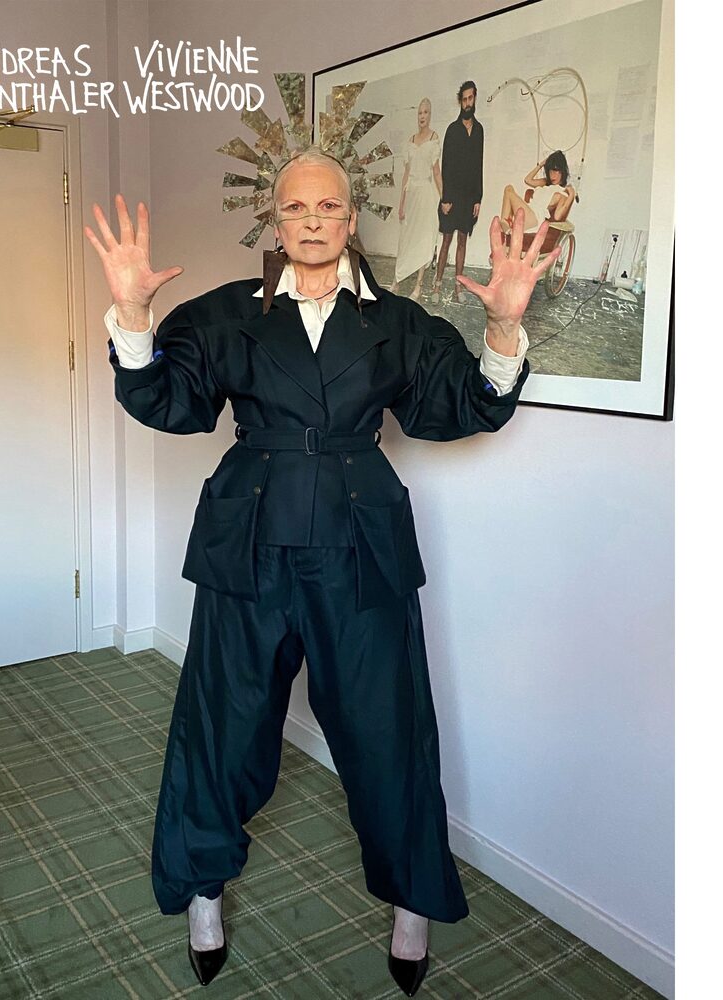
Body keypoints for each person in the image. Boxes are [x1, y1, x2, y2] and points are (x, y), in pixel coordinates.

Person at [85, 147, 561, 996]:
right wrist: (130, 313)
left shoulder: (398, 321)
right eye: (296, 208)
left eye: (328, 207)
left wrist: (502, 328)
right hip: (247, 538)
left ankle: (411, 900)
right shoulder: (227, 313)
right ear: (275, 220)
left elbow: (467, 406)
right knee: (224, 720)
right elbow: (166, 401)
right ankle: (202, 887)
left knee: (387, 726)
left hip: (362, 542)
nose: (312, 222)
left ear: (350, 217)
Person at [432, 80, 484, 305]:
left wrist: (478, 198)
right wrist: (445, 198)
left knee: (463, 241)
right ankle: (437, 284)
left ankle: (458, 287)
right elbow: (446, 166)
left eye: (470, 98)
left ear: (475, 98)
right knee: (446, 241)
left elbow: (479, 165)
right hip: (451, 198)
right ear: (460, 102)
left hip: (469, 197)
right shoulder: (452, 130)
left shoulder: (479, 130)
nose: (467, 103)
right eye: (464, 99)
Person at [389, 98, 442, 301]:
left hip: (426, 195)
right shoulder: (410, 141)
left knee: (423, 239)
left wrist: (444, 198)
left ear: (430, 115)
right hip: (411, 195)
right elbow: (406, 174)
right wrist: (401, 203)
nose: (422, 116)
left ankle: (418, 286)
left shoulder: (434, 138)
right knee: (405, 239)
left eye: (426, 112)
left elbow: (436, 173)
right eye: (420, 112)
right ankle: (396, 280)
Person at [501, 150, 575, 233]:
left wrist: (571, 195)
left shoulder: (562, 193)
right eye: (550, 171)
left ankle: (505, 224)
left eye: (555, 170)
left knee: (509, 191)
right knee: (509, 188)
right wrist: (541, 165)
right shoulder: (545, 183)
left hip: (534, 220)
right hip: (529, 211)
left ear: (562, 171)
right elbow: (527, 180)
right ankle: (506, 224)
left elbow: (557, 217)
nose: (552, 175)